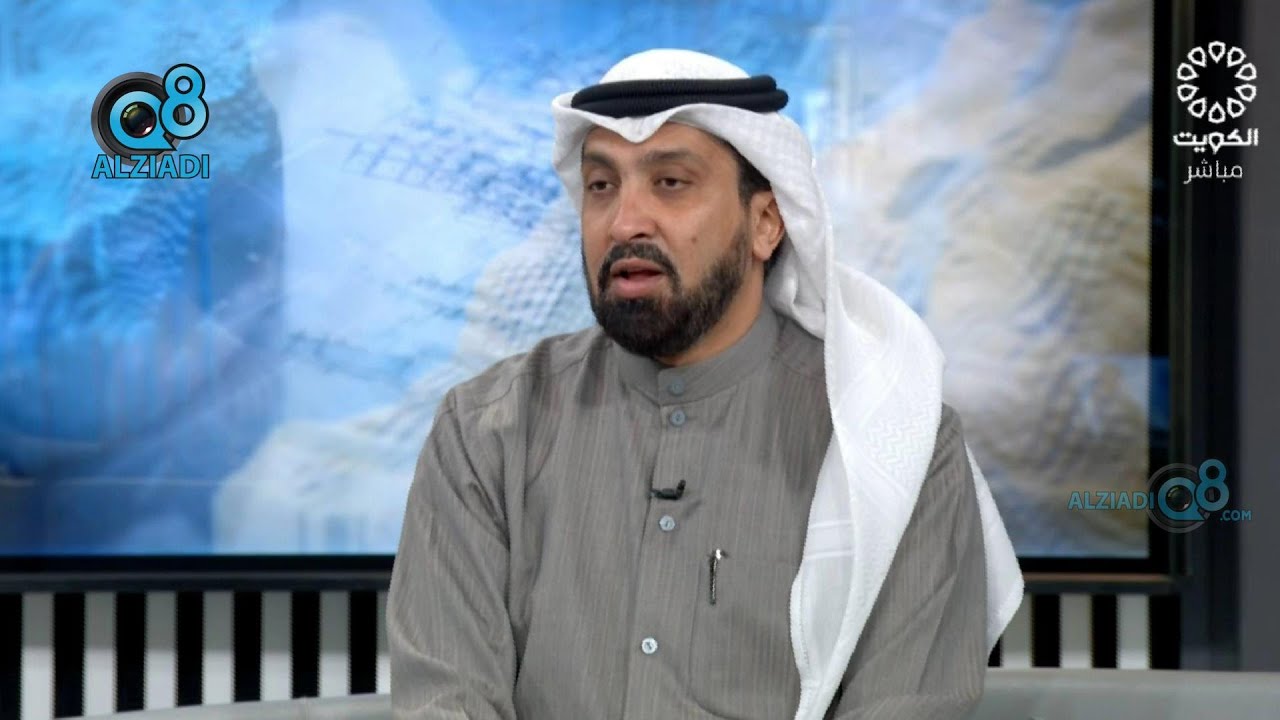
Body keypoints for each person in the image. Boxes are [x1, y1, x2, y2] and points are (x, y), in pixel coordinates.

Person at [388, 49, 1023, 720]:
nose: (624, 221)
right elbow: (447, 701)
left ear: (766, 224)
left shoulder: (896, 446)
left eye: (670, 182)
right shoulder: (486, 430)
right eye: (601, 185)